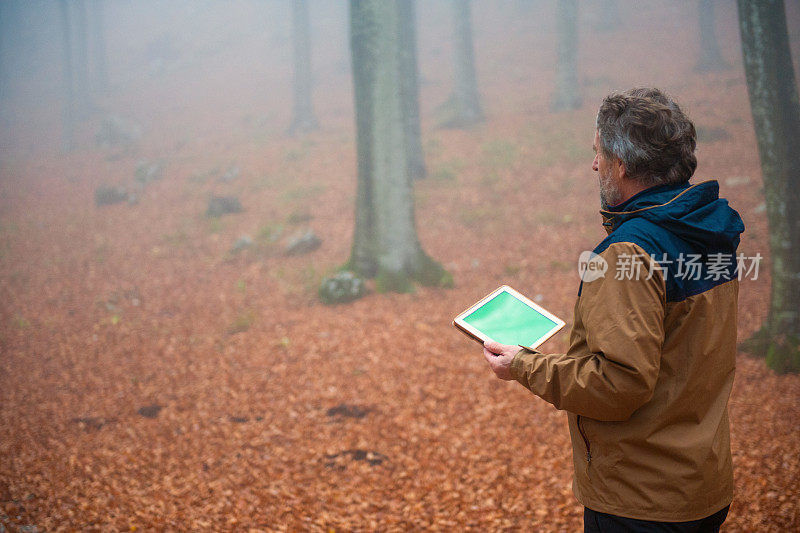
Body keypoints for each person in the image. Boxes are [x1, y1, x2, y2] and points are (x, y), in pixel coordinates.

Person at [483, 88, 744, 532]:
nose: (593, 164)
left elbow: (618, 384)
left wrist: (523, 365)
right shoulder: (707, 229)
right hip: (701, 483)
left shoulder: (629, 254)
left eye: (598, 151)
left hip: (641, 503)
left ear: (621, 165)